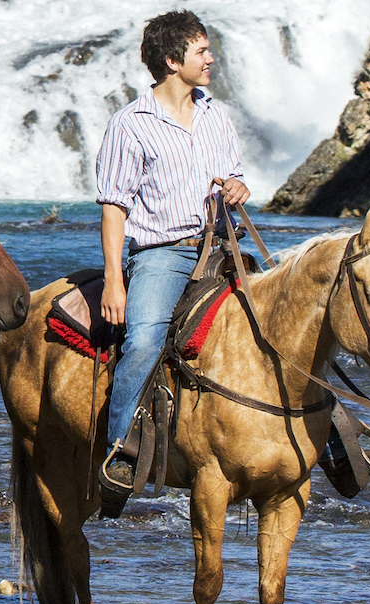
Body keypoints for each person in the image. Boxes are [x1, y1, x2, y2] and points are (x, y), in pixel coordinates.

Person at [96, 11, 249, 485]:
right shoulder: (130, 124)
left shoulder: (215, 114)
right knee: (142, 342)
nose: (210, 58)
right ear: (171, 60)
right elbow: (114, 209)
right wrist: (114, 282)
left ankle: (328, 435)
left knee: (295, 309)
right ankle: (121, 452)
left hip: (223, 245)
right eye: (201, 51)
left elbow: (234, 172)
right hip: (163, 253)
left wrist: (238, 186)